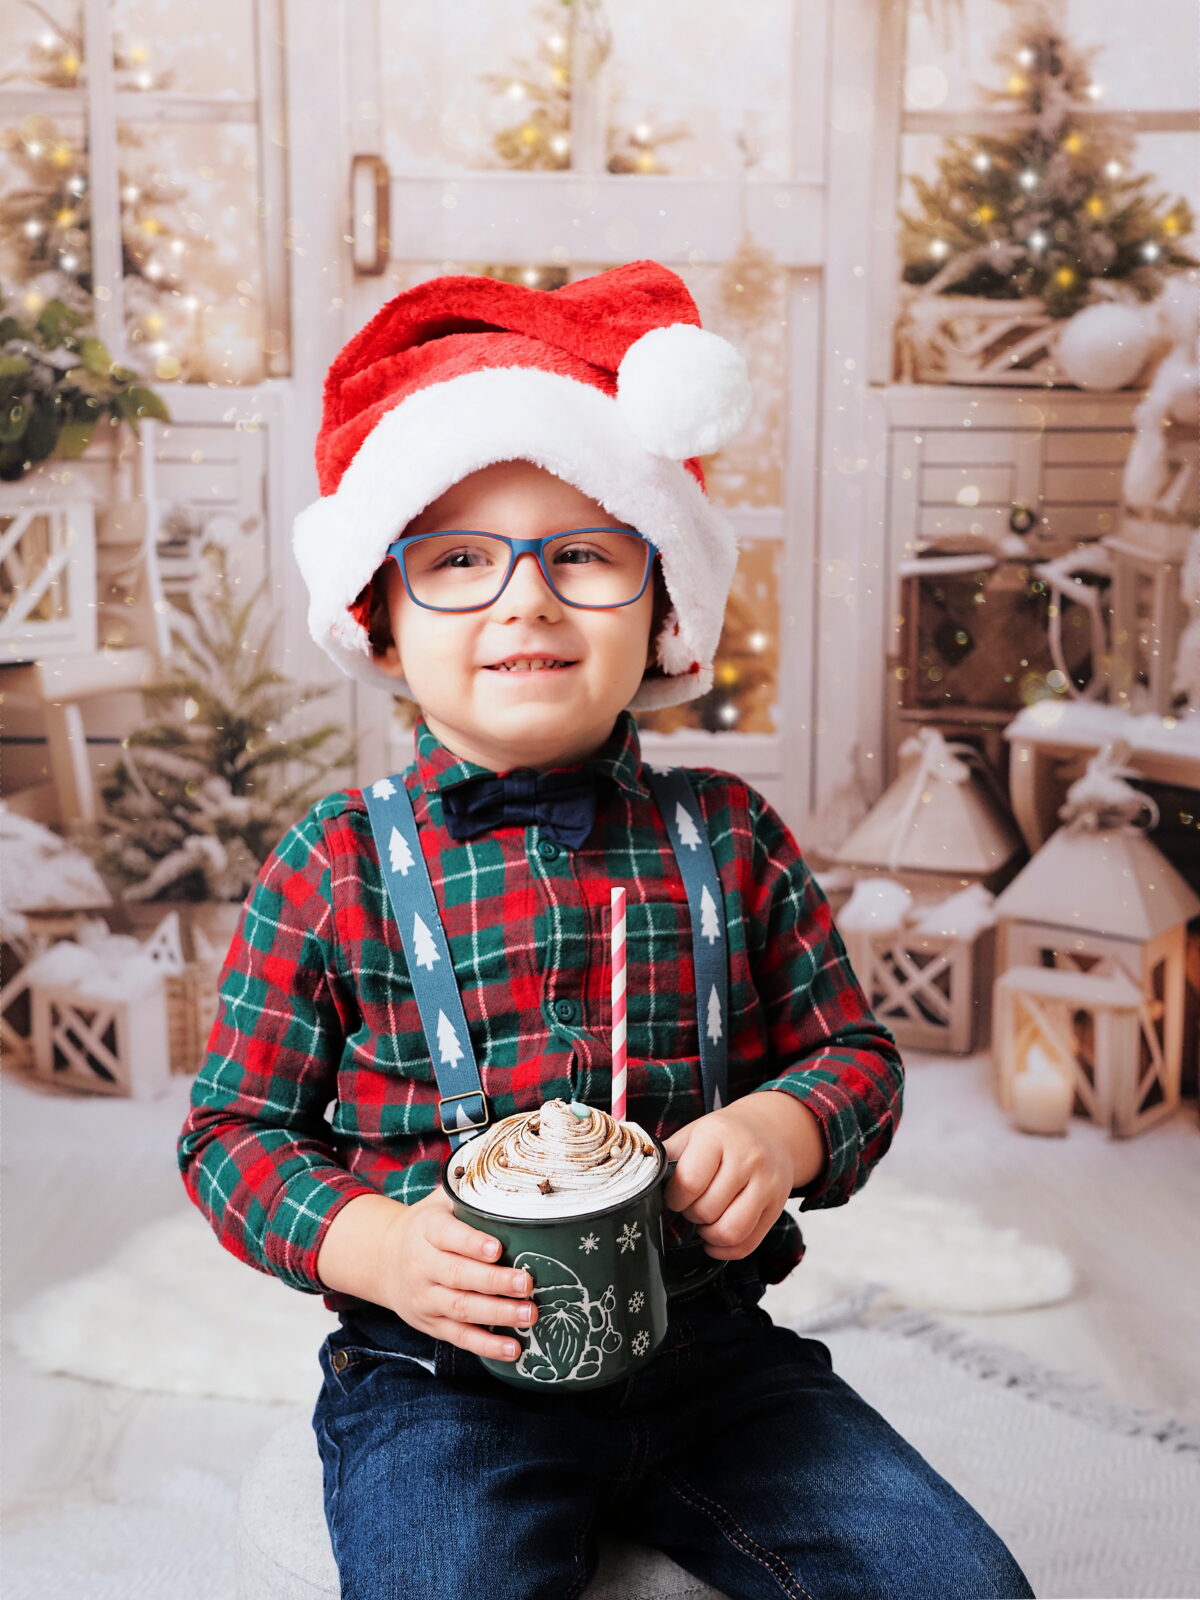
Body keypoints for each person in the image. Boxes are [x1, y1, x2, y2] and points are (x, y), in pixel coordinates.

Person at [178, 260, 1035, 1600]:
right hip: (443, 1377)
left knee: (958, 1583)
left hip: (715, 1360)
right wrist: (376, 1247)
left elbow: (857, 1059)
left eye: (582, 554)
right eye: (458, 561)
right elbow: (230, 1133)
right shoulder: (336, 861)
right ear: (382, 624)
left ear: (664, 607)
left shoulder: (729, 835)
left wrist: (785, 1130)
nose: (525, 598)